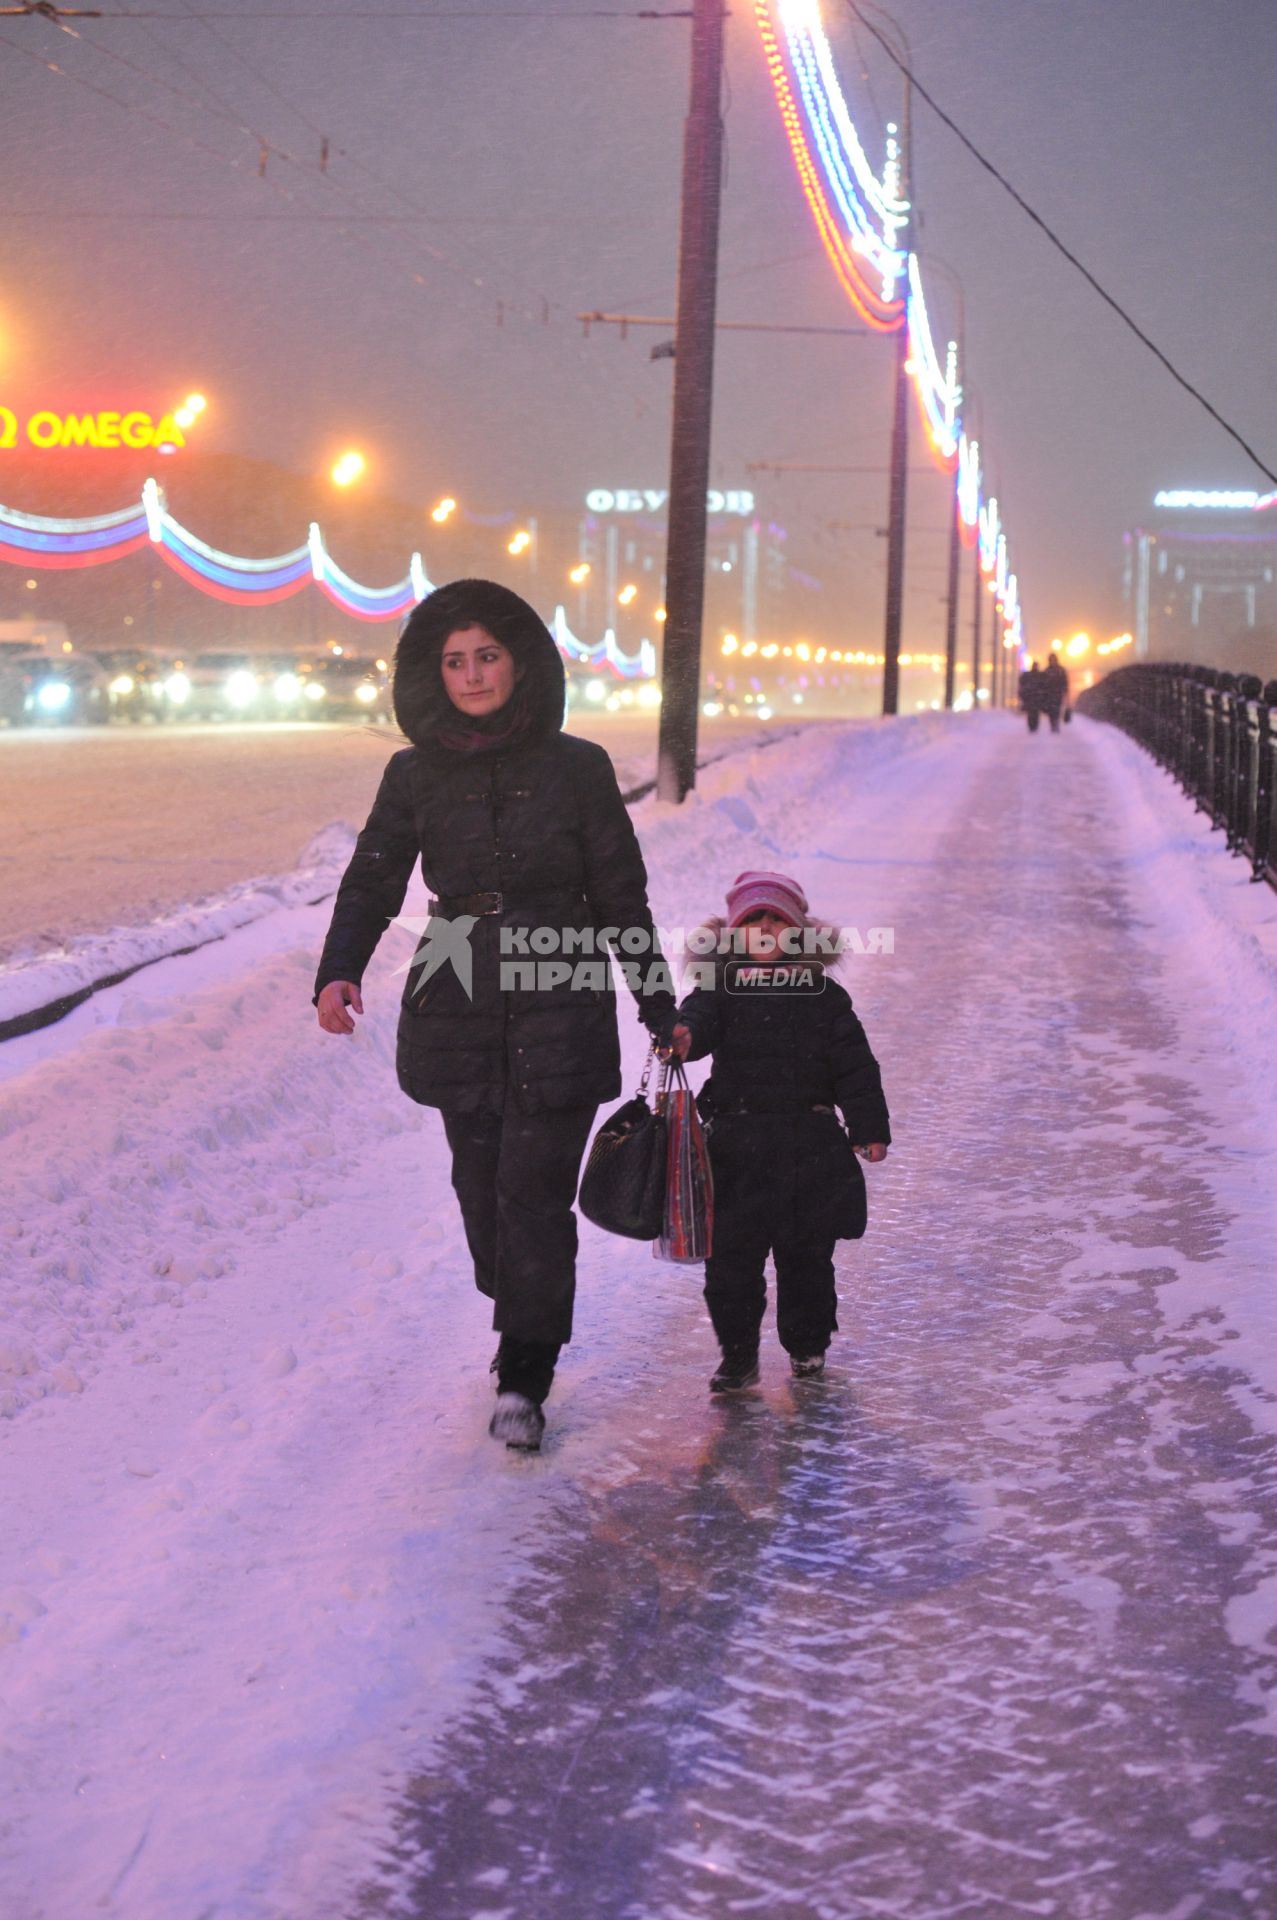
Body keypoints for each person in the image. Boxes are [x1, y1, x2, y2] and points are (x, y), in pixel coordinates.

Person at [313, 579, 674, 1452]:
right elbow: (375, 875)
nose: (472, 675)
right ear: (433, 673)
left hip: (561, 981)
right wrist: (339, 969)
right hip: (459, 986)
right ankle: (518, 1303)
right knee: (482, 1195)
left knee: (534, 1192)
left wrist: (655, 997)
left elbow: (620, 892)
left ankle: (524, 1372)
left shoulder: (577, 767)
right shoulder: (413, 772)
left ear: (520, 662)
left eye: (487, 656)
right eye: (454, 661)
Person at [660, 871, 891, 1393]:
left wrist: (868, 1127)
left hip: (808, 1151)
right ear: (733, 932)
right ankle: (738, 1354)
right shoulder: (718, 990)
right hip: (735, 1154)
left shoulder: (824, 996)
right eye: (753, 919)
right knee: (730, 1267)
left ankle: (808, 1345)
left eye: (778, 918)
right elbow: (696, 1024)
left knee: (807, 1259)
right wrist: (681, 1035)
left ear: (799, 931)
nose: (765, 928)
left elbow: (855, 1068)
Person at [1040, 651, 1070, 733]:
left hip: (1057, 693)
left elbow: (1064, 682)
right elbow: (1043, 683)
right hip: (1050, 694)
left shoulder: (1059, 670)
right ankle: (1053, 724)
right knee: (1051, 710)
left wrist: (1065, 691)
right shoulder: (1048, 671)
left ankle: (1055, 723)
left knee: (1056, 709)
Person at [1018, 658, 1044, 733]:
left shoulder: (1029, 675)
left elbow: (1022, 684)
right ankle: (1033, 726)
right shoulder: (1038, 675)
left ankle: (1033, 726)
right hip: (1033, 698)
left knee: (1033, 713)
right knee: (1033, 713)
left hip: (1032, 698)